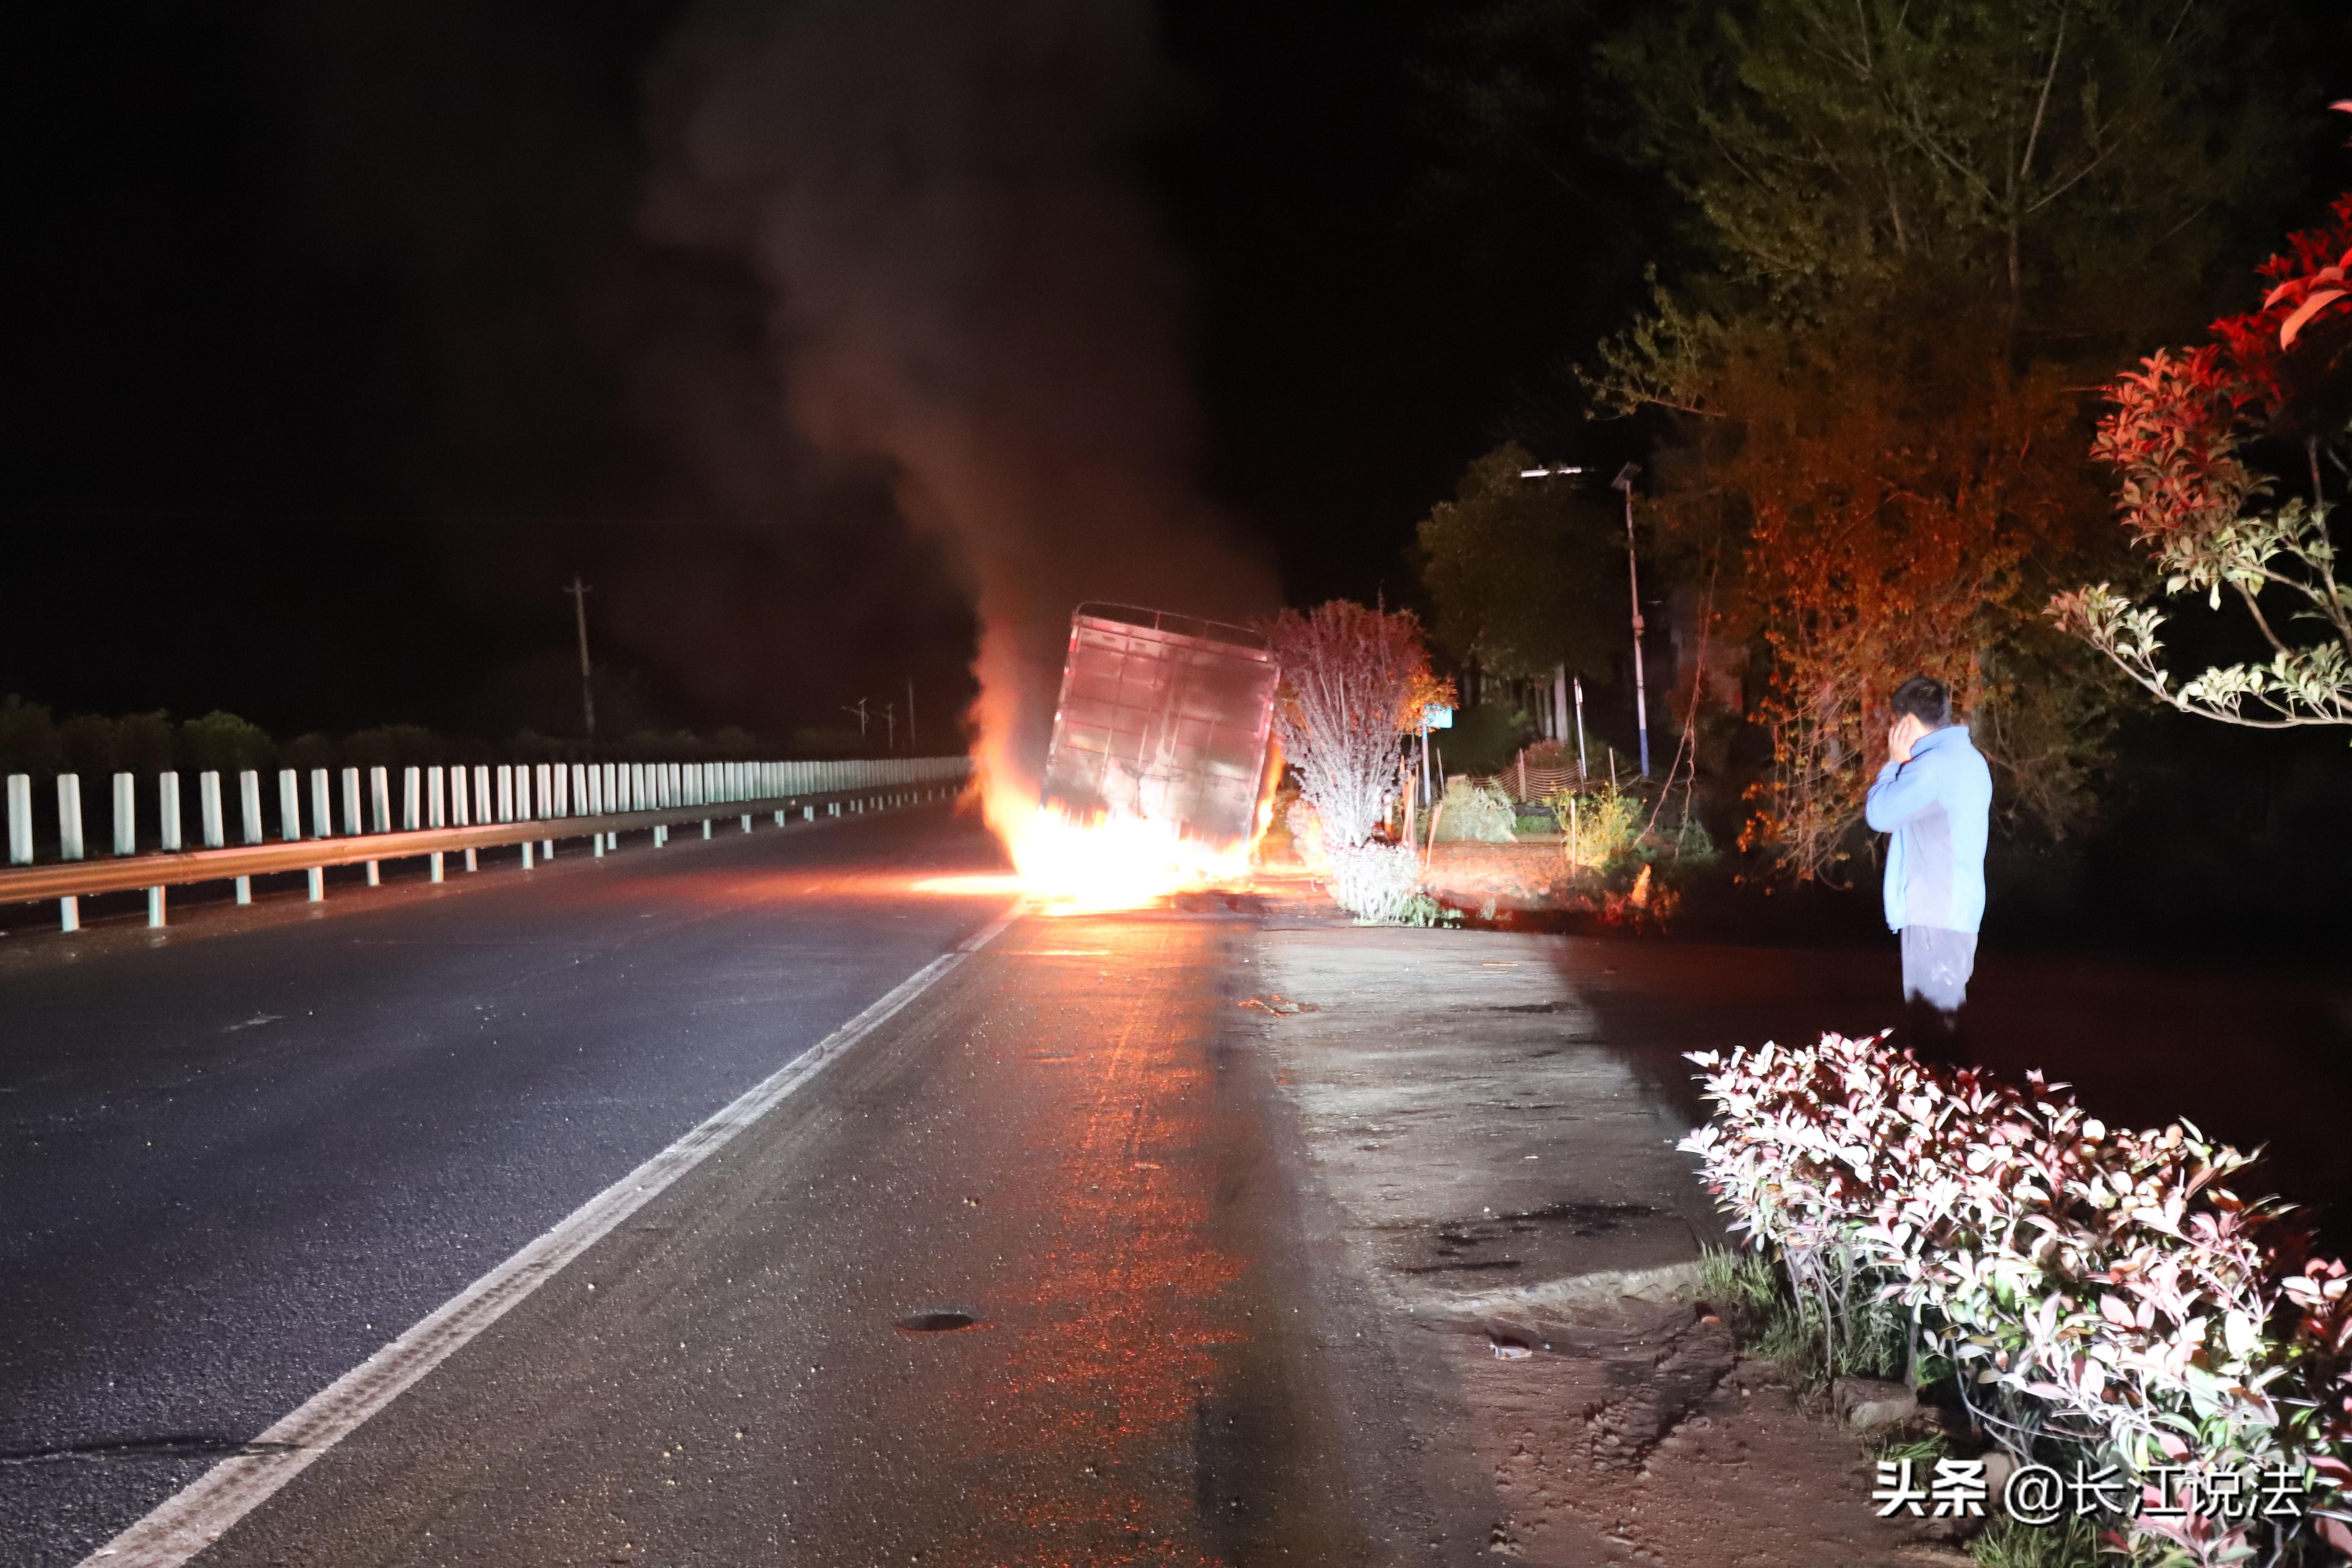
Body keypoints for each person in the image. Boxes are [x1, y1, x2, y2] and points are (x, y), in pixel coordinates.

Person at [1864, 676, 1991, 1061]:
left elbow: (1880, 813)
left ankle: (1945, 1114)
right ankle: (1957, 1111)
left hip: (1933, 915)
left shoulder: (1931, 768)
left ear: (1908, 723)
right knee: (1945, 1027)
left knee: (1932, 1039)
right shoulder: (1970, 760)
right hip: (1958, 912)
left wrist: (1892, 762)